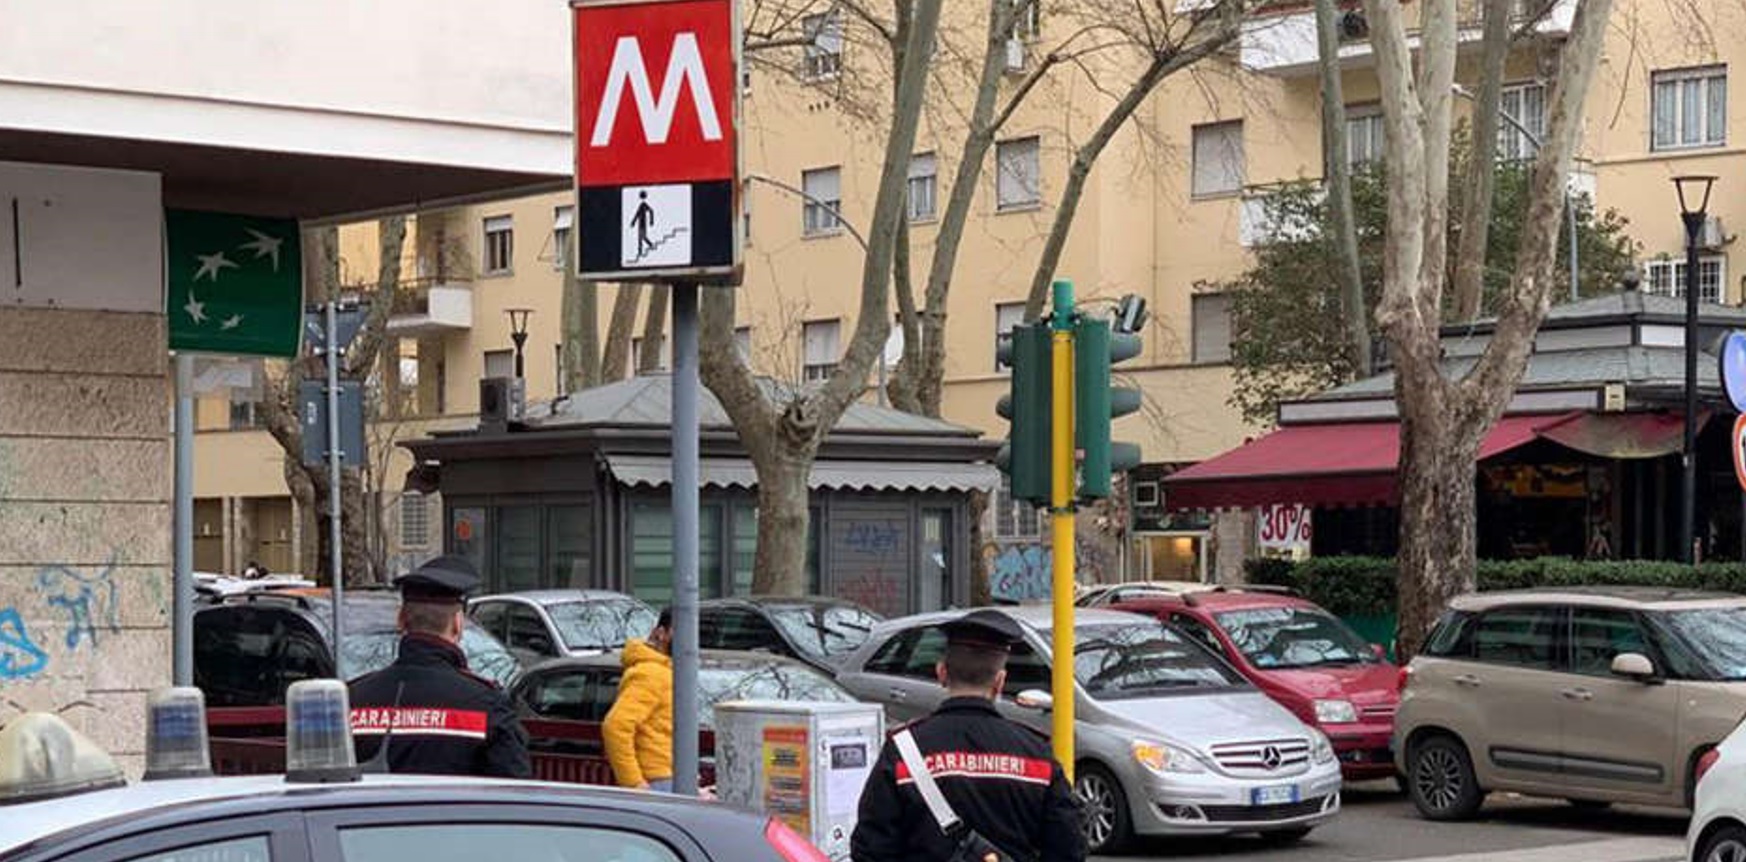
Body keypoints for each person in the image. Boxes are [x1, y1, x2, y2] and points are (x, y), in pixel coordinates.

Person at [851, 609, 1085, 862]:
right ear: (1000, 681)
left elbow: (870, 850)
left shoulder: (903, 751)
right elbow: (1068, 850)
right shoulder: (1036, 755)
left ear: (941, 673)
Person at [347, 554, 531, 778]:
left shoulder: (352, 700)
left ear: (401, 620)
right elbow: (512, 795)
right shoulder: (488, 706)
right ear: (458, 623)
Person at [603, 608, 674, 791]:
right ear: (661, 633)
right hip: (658, 779)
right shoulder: (651, 673)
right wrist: (634, 783)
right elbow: (616, 726)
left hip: (668, 775)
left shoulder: (666, 671)